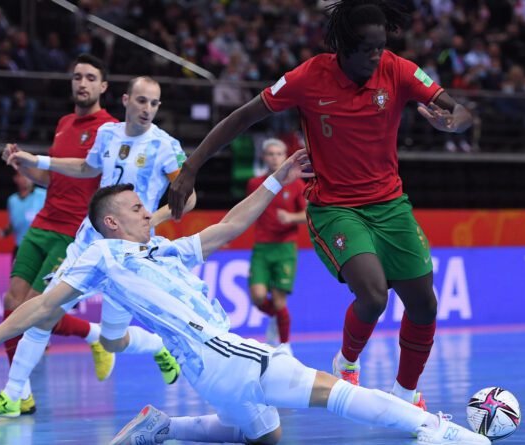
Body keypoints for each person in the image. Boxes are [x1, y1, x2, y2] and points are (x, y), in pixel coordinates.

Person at [0, 150, 490, 445]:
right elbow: (42, 306)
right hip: (225, 353)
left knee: (265, 437)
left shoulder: (162, 250)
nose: (145, 211)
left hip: (207, 371)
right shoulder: (100, 257)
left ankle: (165, 428)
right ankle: (437, 431)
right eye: (135, 208)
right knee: (333, 394)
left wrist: (276, 179)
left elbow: (227, 227)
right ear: (111, 222)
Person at [168, 0, 473, 407]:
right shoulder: (309, 77)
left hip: (390, 205)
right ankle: (346, 360)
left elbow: (462, 111)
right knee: (374, 295)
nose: (376, 55)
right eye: (367, 48)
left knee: (424, 304)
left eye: (381, 46)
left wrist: (453, 120)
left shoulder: (398, 70)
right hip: (336, 208)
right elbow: (243, 117)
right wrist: (191, 167)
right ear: (343, 48)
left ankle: (404, 394)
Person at [0, 75, 194, 421]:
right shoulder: (108, 134)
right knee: (43, 313)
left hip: (128, 254)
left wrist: (151, 220)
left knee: (114, 341)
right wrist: (37, 161)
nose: (148, 109)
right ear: (126, 100)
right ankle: (13, 395)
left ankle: (157, 346)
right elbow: (87, 167)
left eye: (154, 103)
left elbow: (188, 197)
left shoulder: (166, 145)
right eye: (142, 101)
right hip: (88, 243)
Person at [0, 53, 117, 421]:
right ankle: (20, 395)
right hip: (42, 224)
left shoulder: (110, 129)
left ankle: (96, 336)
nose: (81, 83)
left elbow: (88, 172)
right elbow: (53, 178)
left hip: (72, 233)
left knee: (37, 311)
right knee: (12, 301)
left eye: (89, 77)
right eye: (76, 77)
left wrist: (38, 159)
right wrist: (23, 164)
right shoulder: (64, 123)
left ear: (103, 86)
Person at [246, 138, 306, 351]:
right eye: (270, 154)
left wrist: (290, 218)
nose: (274, 158)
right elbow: (247, 212)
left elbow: (309, 214)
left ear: (285, 157)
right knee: (258, 297)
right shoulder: (255, 184)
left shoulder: (296, 185)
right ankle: (276, 319)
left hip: (285, 248)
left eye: (278, 154)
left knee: (280, 300)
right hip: (262, 247)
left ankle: (284, 345)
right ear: (264, 157)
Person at [0, 171, 46, 262]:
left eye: (28, 175)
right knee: (16, 275)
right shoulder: (12, 200)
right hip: (20, 247)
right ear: (16, 179)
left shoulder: (43, 195)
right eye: (22, 176)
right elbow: (14, 224)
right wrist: (3, 233)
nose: (25, 179)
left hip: (40, 247)